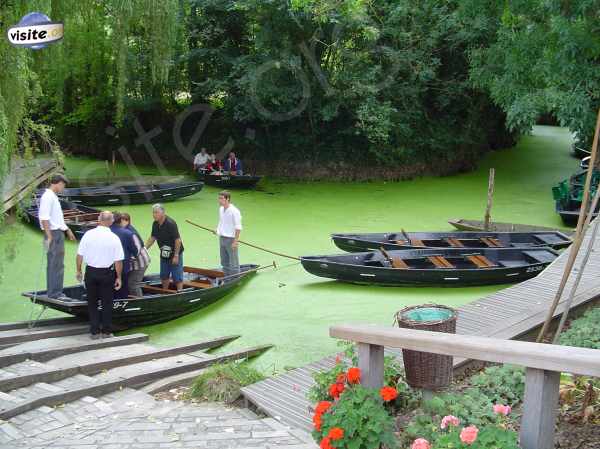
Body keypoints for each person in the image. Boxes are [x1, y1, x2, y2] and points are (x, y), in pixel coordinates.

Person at [76, 211, 124, 339]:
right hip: (107, 273)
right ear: (111, 221)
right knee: (107, 303)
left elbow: (79, 255)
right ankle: (107, 331)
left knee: (92, 302)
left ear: (99, 219)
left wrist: (79, 270)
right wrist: (119, 277)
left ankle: (95, 331)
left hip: (90, 272)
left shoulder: (88, 235)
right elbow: (118, 260)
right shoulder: (114, 238)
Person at [38, 174, 76, 299]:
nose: (63, 188)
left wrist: (67, 229)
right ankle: (55, 293)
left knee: (54, 263)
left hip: (56, 232)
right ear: (58, 183)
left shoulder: (52, 196)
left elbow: (56, 218)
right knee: (56, 264)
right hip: (53, 234)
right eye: (63, 185)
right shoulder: (48, 197)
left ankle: (53, 291)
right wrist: (49, 237)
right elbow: (44, 218)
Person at [145, 204, 184, 291]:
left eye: (156, 212)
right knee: (164, 274)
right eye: (153, 213)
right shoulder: (155, 224)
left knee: (177, 276)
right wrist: (144, 249)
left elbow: (178, 240)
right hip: (164, 252)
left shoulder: (171, 223)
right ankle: (165, 291)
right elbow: (152, 238)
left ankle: (180, 292)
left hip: (175, 253)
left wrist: (176, 256)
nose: (154, 215)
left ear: (163, 213)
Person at [119, 212, 150, 296]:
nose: (119, 223)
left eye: (120, 221)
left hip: (140, 262)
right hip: (133, 263)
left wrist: (127, 258)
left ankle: (139, 301)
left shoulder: (131, 233)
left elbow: (137, 249)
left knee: (133, 284)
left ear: (127, 221)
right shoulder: (125, 230)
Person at [110, 212, 138, 299]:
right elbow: (135, 251)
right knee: (122, 291)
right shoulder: (127, 233)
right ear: (120, 220)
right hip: (123, 267)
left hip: (106, 268)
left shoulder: (104, 233)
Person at [216, 191, 242, 276]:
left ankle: (235, 278)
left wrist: (235, 241)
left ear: (227, 199)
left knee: (233, 261)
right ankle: (226, 276)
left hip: (231, 239)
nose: (219, 200)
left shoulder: (234, 211)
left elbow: (238, 227)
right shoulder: (221, 209)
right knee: (224, 260)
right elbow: (222, 222)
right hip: (222, 238)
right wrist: (218, 230)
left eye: (221, 198)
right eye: (219, 198)